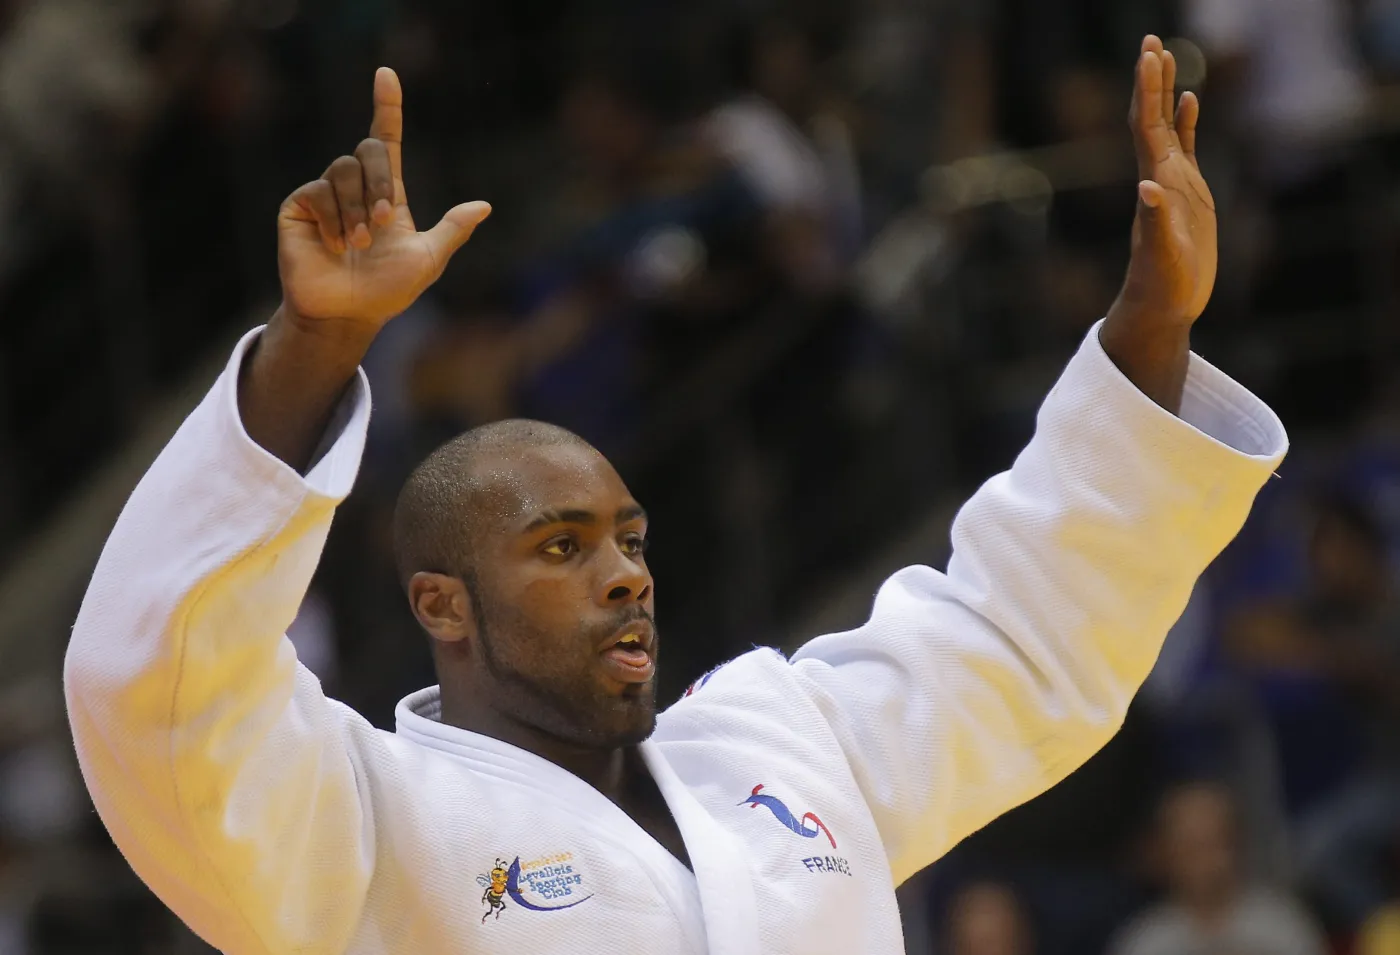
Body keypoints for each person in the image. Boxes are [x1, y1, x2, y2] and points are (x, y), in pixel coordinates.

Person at [63, 36, 1287, 955]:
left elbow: (1017, 631)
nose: (625, 571)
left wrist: (1148, 330)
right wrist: (313, 348)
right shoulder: (362, 817)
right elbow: (164, 700)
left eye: (629, 537)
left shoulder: (776, 743)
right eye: (560, 545)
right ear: (444, 602)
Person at [1109, 782, 1327, 955]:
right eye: (1191, 847)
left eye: (1214, 843)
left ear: (1237, 845)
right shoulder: (1143, 943)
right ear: (1166, 854)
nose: (1205, 861)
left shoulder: (1283, 925)